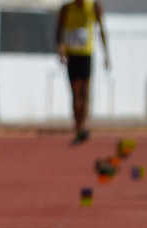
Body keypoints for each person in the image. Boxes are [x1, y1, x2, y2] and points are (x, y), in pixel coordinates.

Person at [56, 0, 109, 145]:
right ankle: (77, 124)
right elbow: (59, 30)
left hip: (86, 54)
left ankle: (83, 126)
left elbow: (102, 31)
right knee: (75, 92)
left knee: (85, 92)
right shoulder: (67, 8)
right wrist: (60, 49)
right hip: (71, 55)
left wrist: (106, 55)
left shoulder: (93, 7)